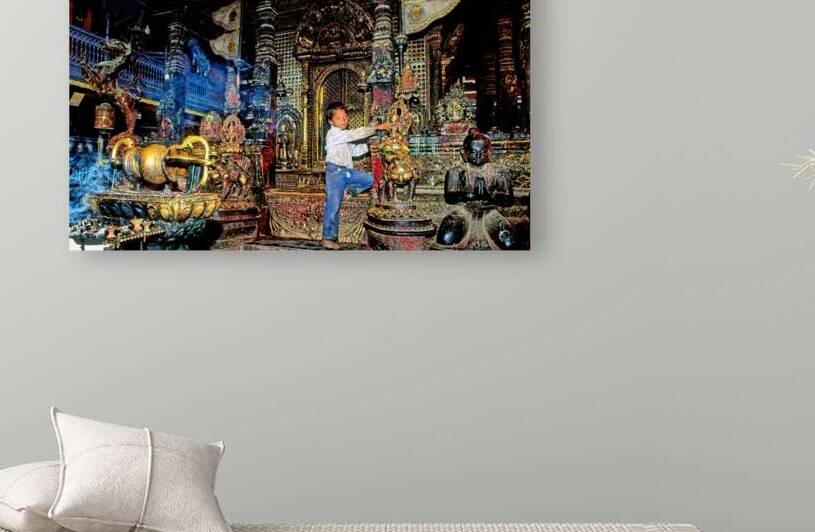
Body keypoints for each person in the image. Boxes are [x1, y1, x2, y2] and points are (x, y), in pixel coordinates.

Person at [321, 102, 391, 250]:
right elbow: (354, 134)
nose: (343, 120)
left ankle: (349, 190)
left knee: (369, 179)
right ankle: (328, 238)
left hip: (346, 172)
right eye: (339, 118)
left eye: (345, 117)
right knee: (333, 206)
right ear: (330, 121)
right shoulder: (333, 134)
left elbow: (354, 151)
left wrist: (367, 147)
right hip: (334, 173)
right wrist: (375, 129)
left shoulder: (343, 138)